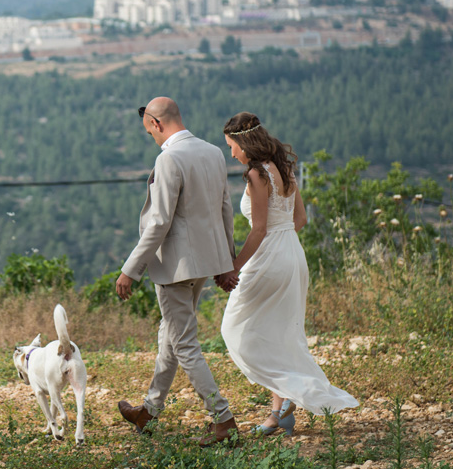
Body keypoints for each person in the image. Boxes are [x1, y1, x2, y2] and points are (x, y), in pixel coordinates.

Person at [220, 112, 359, 436]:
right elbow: (300, 220)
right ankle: (278, 413)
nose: (231, 153)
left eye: (231, 146)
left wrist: (233, 268)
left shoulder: (256, 174)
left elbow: (258, 230)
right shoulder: (284, 169)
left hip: (269, 255)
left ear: (244, 143)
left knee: (235, 331)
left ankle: (294, 392)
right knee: (278, 332)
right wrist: (284, 242)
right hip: (293, 253)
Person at [115, 97, 241, 447]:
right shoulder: (213, 152)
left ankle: (223, 418)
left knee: (184, 343)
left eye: (149, 132)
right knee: (170, 335)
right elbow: (225, 208)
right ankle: (149, 410)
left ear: (157, 123)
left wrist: (130, 270)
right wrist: (225, 259)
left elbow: (158, 222)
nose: (152, 138)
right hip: (203, 263)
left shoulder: (169, 158)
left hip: (174, 267)